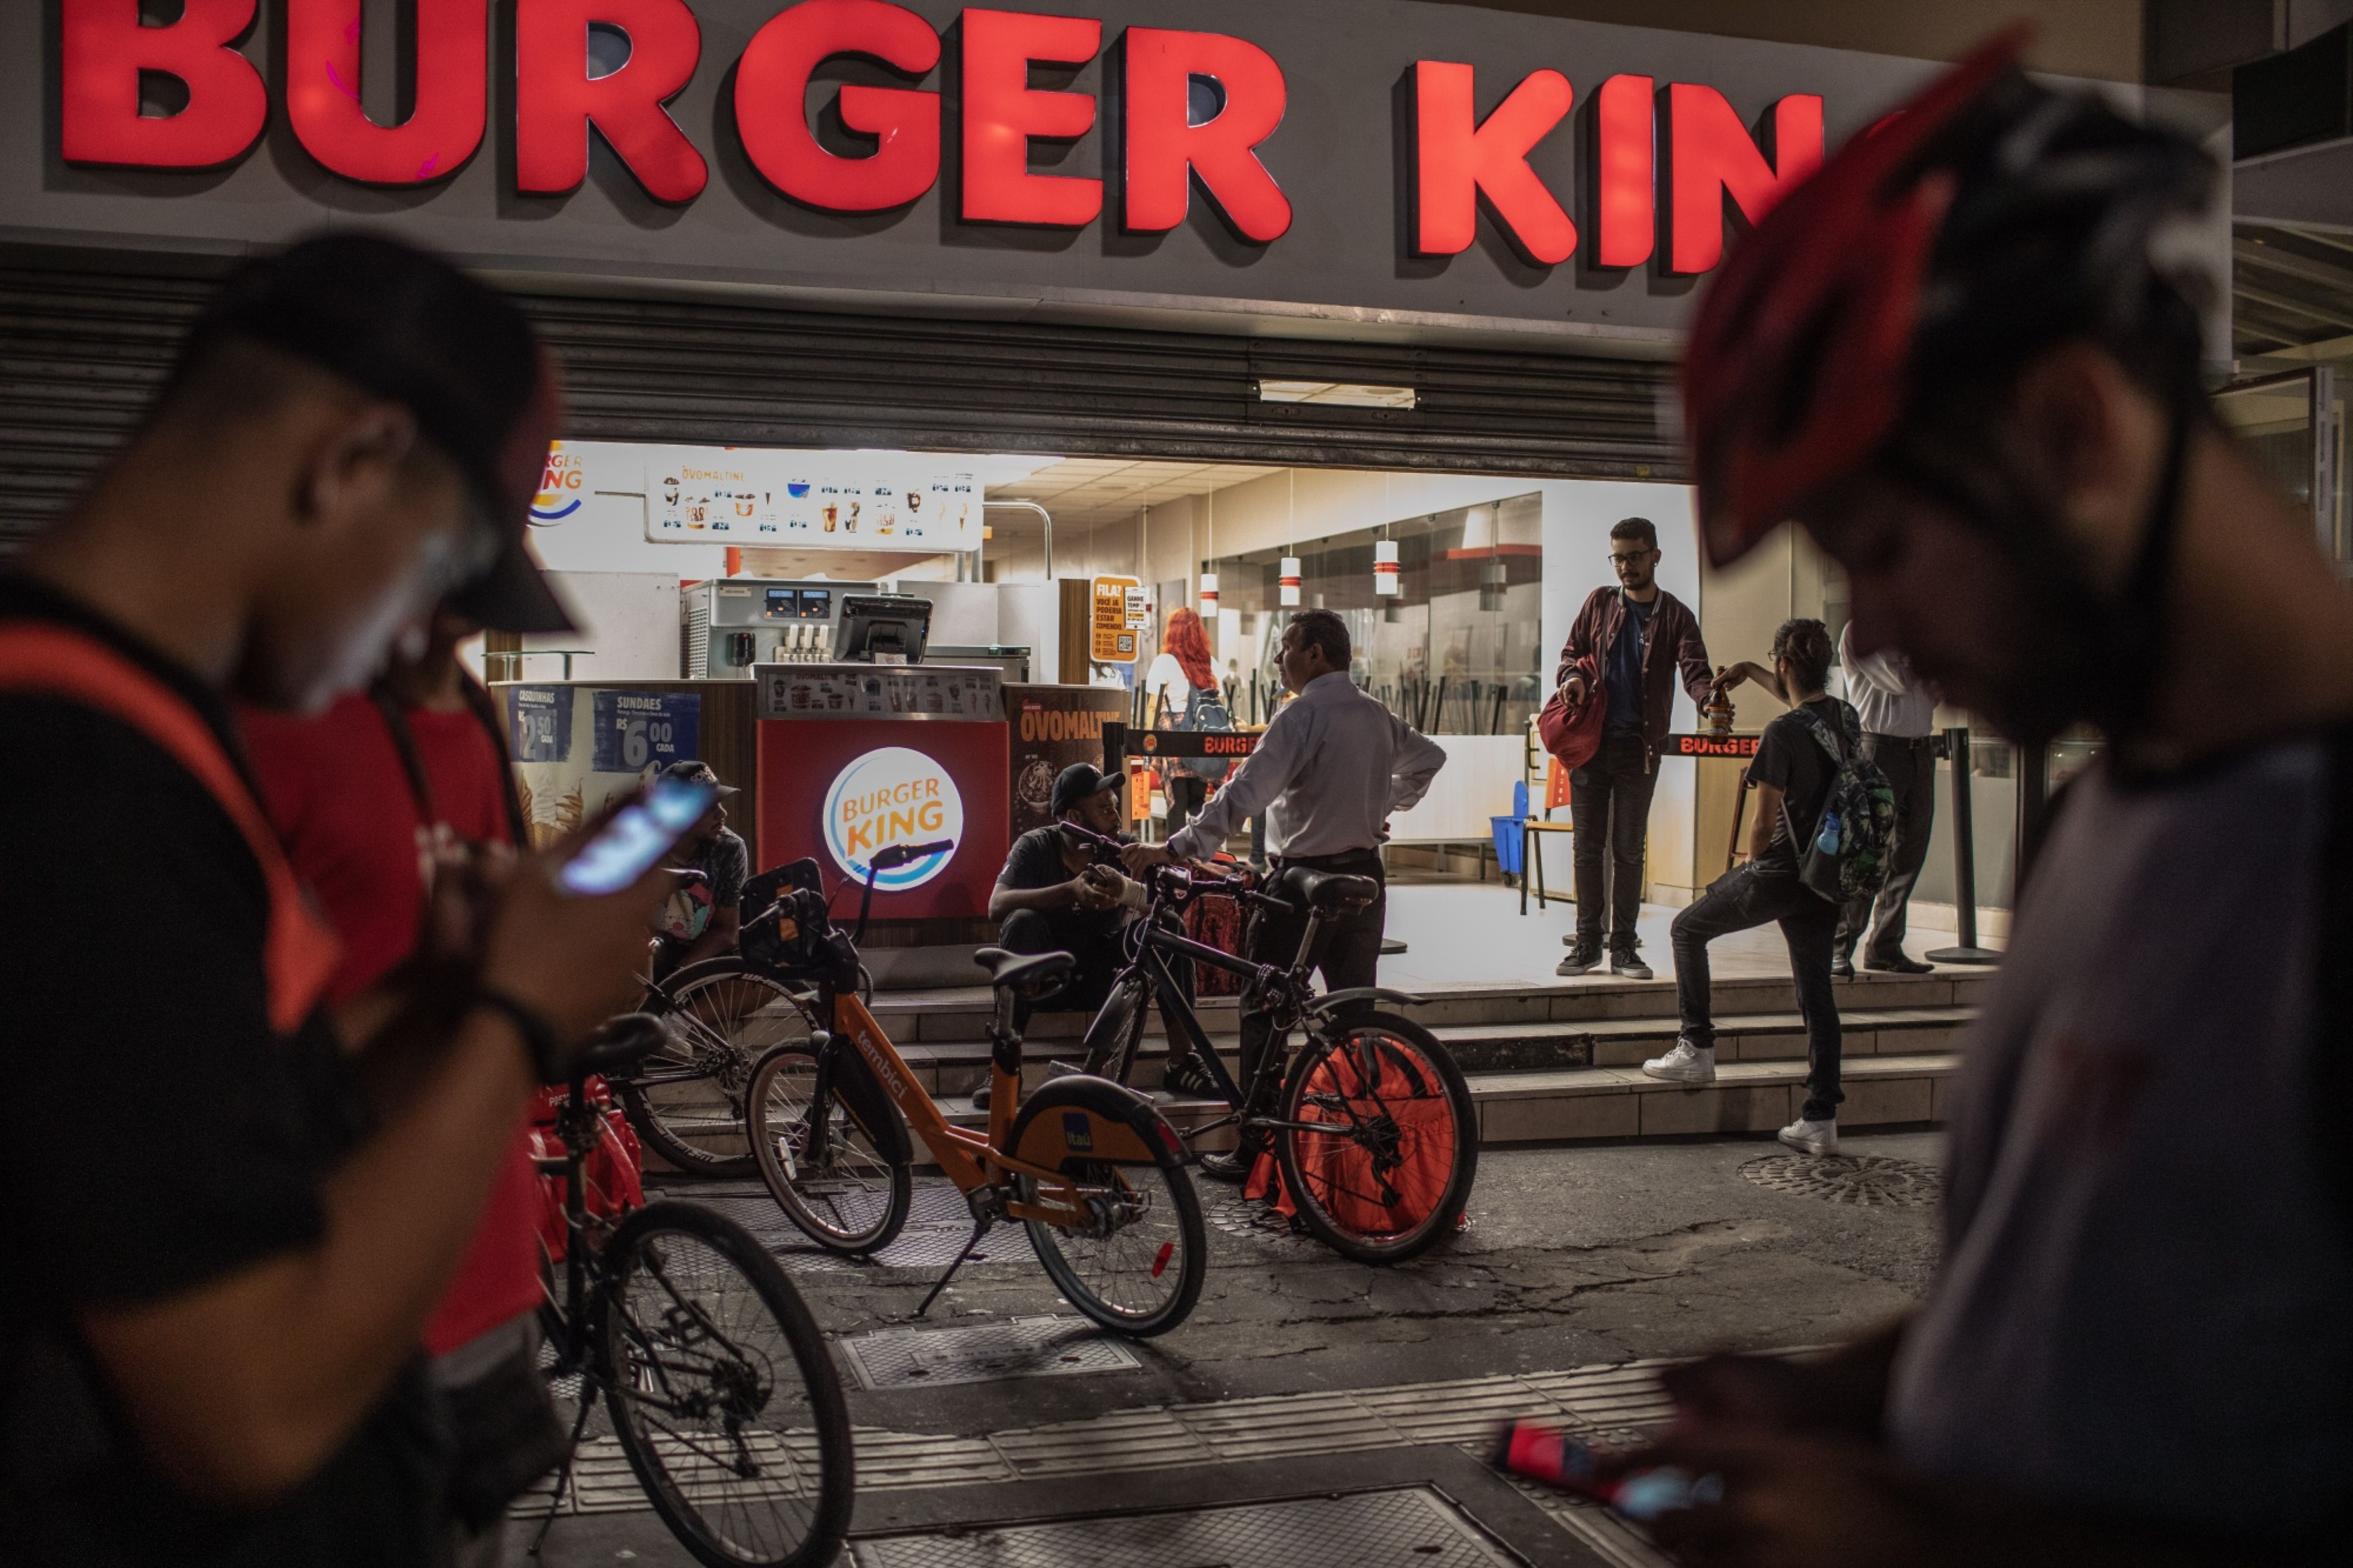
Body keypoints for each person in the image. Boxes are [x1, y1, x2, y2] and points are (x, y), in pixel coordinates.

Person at [1621, 33, 2353, 1566]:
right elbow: (2115, 1321)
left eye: (1881, 541)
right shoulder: (2114, 823)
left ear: (2073, 431)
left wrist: (1909, 1542)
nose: (1869, 628)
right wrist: (1858, 1398)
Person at [0, 234, 664, 1566]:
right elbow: (245, 1412)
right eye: (444, 569)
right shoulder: (70, 772)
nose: (428, 631)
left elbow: (183, 1116)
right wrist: (518, 1018)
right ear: (352, 459)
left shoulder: (129, 726)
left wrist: (442, 994)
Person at [241, 601, 569, 1567]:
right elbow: (211, 1080)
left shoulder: (468, 717)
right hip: (345, 1302)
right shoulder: (260, 730)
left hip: (494, 1267)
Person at [1124, 609, 1446, 1094]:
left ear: (1314, 654)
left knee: (1263, 1006)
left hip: (1302, 884)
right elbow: (1430, 758)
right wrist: (1381, 801)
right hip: (1364, 879)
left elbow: (1243, 795)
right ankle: (1357, 1121)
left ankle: (1257, 1138)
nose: (1279, 657)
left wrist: (1172, 849)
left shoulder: (1300, 714)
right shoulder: (1374, 712)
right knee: (1354, 1013)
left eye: (1287, 646)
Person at [1646, 620, 1850, 1157]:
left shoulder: (1780, 733)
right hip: (1826, 876)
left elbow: (1760, 826)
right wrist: (1752, 671)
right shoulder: (1844, 719)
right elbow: (1800, 699)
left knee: (1686, 929)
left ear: (1784, 665)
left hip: (1781, 870)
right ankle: (1820, 1118)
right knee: (1816, 992)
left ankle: (1697, 1045)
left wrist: (1750, 866)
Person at [1550, 517, 1714, 980]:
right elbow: (1570, 652)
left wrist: (1707, 700)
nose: (1625, 565)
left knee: (1627, 849)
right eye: (1618, 556)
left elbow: (1694, 669)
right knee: (1587, 848)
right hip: (1589, 744)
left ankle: (1623, 948)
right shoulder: (1599, 603)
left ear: (1655, 556)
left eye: (1634, 556)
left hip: (1639, 749)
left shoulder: (1675, 614)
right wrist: (1573, 677)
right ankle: (1586, 944)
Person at [986, 761, 1201, 1103]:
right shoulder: (1036, 846)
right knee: (1021, 922)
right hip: (1048, 978)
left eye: (1114, 806)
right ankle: (1004, 1067)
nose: (1115, 817)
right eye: (1103, 809)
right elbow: (996, 906)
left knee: (1169, 927)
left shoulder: (1124, 848)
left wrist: (1126, 891)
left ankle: (1181, 1061)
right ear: (1074, 817)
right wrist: (1069, 891)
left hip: (1106, 977)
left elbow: (1167, 903)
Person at [1831, 622, 1940, 977]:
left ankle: (1886, 946)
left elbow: (1938, 691)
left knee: (1910, 853)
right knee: (1868, 852)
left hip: (1921, 749)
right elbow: (1900, 681)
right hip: (1878, 747)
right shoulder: (1862, 631)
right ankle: (1839, 946)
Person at [651, 759, 748, 977]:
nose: (722, 814)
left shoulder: (730, 848)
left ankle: (671, 1011)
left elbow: (726, 931)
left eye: (720, 804)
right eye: (708, 807)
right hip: (645, 957)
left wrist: (680, 976)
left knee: (775, 970)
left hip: (697, 963)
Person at [1147, 606, 1220, 833]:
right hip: (1201, 731)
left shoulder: (1165, 662)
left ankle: (1176, 859)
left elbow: (1153, 706)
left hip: (1174, 731)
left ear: (1172, 632)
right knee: (1197, 800)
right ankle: (1201, 852)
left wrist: (1148, 743)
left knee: (1178, 801)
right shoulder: (1210, 663)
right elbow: (1219, 704)